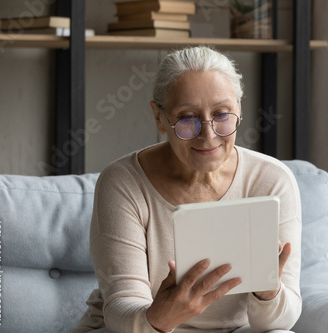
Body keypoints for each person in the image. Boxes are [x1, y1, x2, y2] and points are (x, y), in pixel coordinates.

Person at [74, 46, 302, 333]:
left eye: (222, 114)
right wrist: (162, 315)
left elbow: (280, 321)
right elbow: (121, 310)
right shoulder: (123, 183)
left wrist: (268, 290)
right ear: (159, 118)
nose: (208, 135)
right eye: (186, 118)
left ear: (239, 110)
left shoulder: (272, 180)